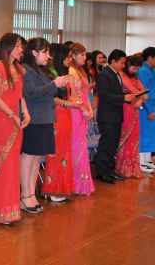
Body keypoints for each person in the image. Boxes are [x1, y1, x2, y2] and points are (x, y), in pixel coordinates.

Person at [21, 38, 69, 213]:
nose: (48, 56)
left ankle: (31, 193)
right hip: (34, 119)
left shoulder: (40, 70)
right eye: (45, 52)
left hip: (45, 118)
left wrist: (58, 85)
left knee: (36, 159)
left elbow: (47, 91)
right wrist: (54, 84)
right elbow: (31, 93)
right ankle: (25, 195)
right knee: (28, 158)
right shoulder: (26, 70)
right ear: (34, 52)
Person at [0, 33, 29, 224]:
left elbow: (20, 96)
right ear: (8, 47)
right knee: (3, 163)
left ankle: (11, 209)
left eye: (21, 46)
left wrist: (25, 113)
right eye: (18, 46)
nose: (21, 50)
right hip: (2, 120)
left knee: (13, 165)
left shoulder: (18, 68)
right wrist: (12, 115)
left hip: (16, 120)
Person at [94, 50, 136, 184]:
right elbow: (105, 95)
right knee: (106, 144)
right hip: (107, 116)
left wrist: (126, 96)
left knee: (113, 145)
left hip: (116, 115)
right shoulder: (104, 75)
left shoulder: (116, 74)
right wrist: (123, 97)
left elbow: (115, 93)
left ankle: (110, 170)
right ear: (113, 61)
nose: (123, 66)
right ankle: (102, 172)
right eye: (121, 63)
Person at [41, 44, 76, 202]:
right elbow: (51, 98)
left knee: (65, 152)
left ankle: (62, 187)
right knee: (55, 153)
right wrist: (69, 104)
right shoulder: (50, 74)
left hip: (65, 115)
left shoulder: (64, 73)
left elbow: (69, 95)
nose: (70, 60)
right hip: (55, 115)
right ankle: (52, 189)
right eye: (68, 56)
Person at [68, 43, 95, 195]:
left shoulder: (81, 70)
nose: (85, 57)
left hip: (83, 111)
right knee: (76, 146)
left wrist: (89, 108)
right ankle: (74, 182)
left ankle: (82, 183)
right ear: (73, 55)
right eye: (82, 55)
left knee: (81, 145)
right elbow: (72, 95)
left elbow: (85, 93)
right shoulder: (71, 71)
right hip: (74, 111)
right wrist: (84, 109)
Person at [115, 56, 145, 178]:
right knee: (126, 137)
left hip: (135, 110)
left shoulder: (135, 77)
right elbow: (135, 91)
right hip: (125, 109)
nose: (135, 71)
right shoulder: (122, 75)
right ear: (127, 65)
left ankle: (133, 167)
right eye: (134, 68)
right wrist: (141, 96)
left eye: (137, 69)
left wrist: (140, 100)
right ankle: (123, 167)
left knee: (134, 137)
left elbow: (143, 93)